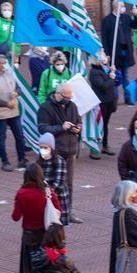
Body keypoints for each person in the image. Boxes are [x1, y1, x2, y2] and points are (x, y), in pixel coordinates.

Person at [36, 80, 83, 224]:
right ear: (58, 94)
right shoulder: (45, 108)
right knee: (53, 183)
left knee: (69, 184)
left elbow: (78, 120)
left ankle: (68, 212)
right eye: (66, 97)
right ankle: (51, 211)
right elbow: (42, 129)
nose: (68, 100)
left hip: (71, 150)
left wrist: (78, 127)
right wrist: (61, 127)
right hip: (56, 152)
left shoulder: (72, 105)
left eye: (70, 97)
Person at [11, 163, 60, 273]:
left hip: (29, 236)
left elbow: (15, 217)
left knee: (28, 268)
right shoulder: (48, 192)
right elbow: (58, 209)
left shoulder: (21, 193)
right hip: (46, 234)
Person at [0, 55, 27, 171]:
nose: (5, 65)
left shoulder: (10, 74)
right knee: (1, 138)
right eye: (2, 63)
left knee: (20, 136)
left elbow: (19, 89)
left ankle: (22, 160)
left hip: (14, 111)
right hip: (1, 114)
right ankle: (5, 161)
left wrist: (16, 94)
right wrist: (6, 104)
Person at [86, 54, 118, 159]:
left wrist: (113, 71)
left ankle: (104, 145)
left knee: (105, 124)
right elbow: (104, 86)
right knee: (98, 125)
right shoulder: (94, 72)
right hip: (101, 103)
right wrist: (111, 78)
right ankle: (94, 148)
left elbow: (117, 80)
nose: (104, 59)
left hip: (109, 101)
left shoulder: (105, 69)